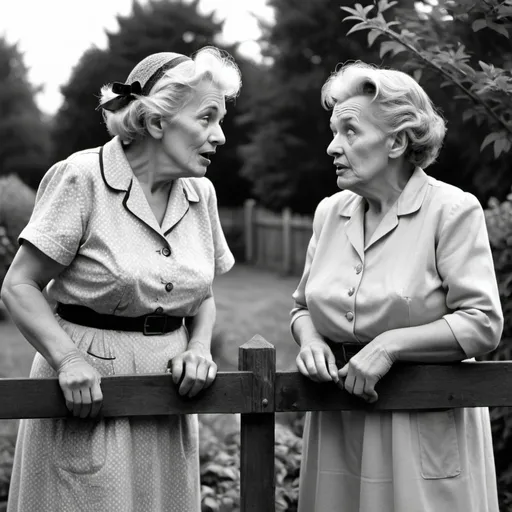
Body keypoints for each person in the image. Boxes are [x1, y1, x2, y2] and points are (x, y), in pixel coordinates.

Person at [1, 46, 241, 512]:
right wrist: (67, 359)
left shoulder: (200, 193)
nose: (221, 136)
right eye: (207, 118)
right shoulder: (82, 177)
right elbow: (19, 286)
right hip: (88, 395)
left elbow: (203, 295)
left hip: (168, 401)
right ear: (156, 123)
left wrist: (198, 347)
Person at [291, 62, 503, 512]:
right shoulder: (330, 212)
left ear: (398, 141)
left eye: (350, 131)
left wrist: (390, 345)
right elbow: (301, 308)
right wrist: (310, 340)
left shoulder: (452, 210)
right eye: (333, 131)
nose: (332, 147)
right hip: (337, 425)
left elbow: (482, 323)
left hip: (422, 426)